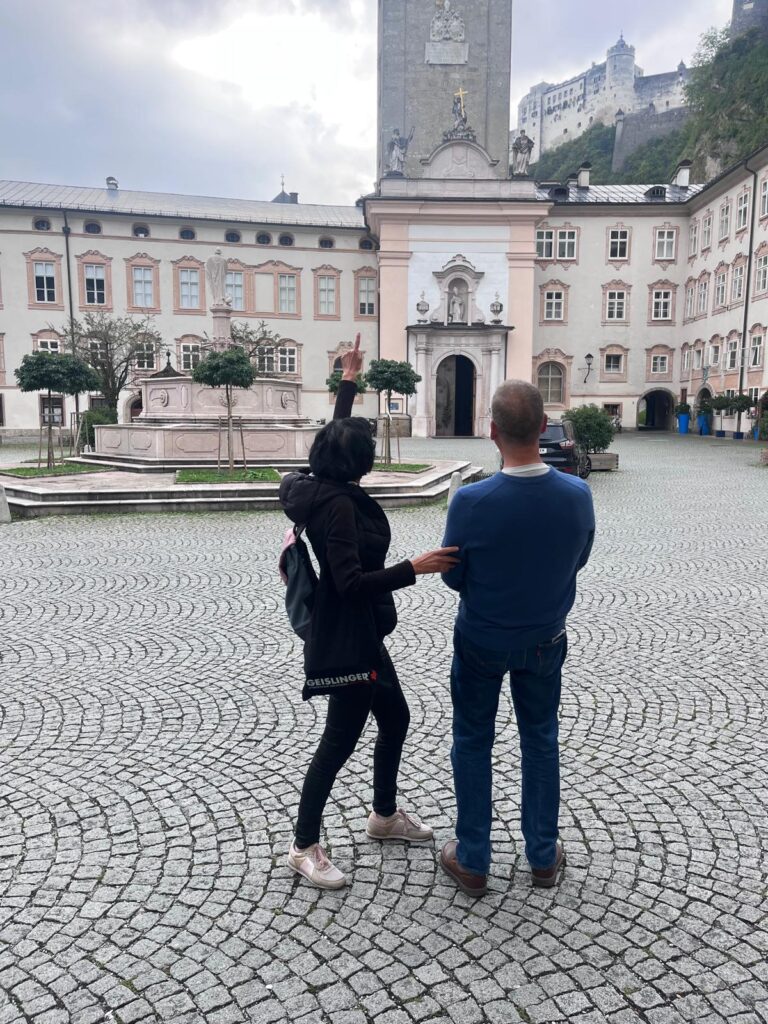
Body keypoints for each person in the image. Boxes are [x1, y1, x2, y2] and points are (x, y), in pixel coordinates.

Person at [279, 334, 459, 890]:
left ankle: (382, 817)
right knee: (337, 742)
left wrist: (348, 382)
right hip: (347, 639)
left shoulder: (318, 481)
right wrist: (415, 567)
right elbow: (350, 582)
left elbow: (334, 437)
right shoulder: (337, 508)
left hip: (362, 635)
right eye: (368, 453)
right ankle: (304, 845)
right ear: (357, 464)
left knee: (397, 718)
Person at [439, 380, 595, 896]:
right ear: (542, 427)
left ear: (493, 431)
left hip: (482, 637)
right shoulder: (577, 494)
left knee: (472, 740)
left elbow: (453, 575)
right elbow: (580, 557)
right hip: (546, 637)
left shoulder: (472, 501)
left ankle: (474, 859)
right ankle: (543, 857)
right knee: (541, 740)